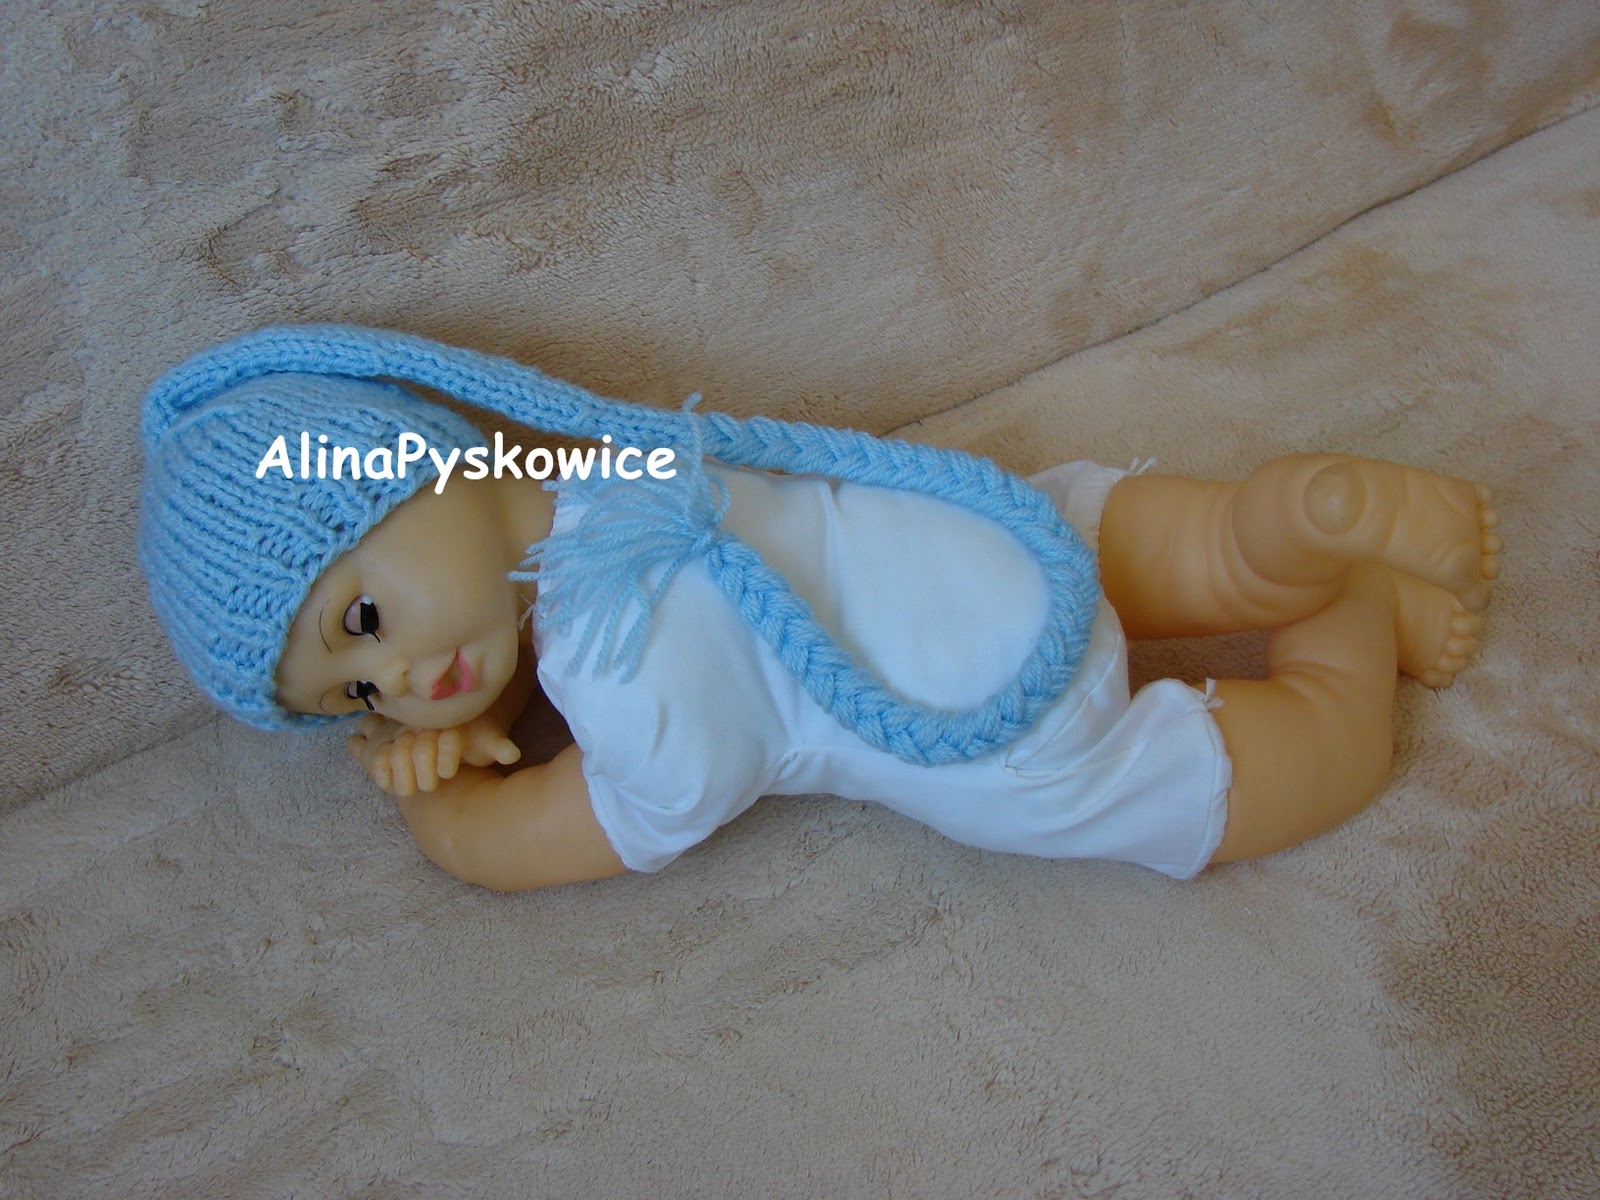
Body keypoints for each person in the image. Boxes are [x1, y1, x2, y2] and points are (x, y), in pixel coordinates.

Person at [140, 326, 1499, 891]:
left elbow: (597, 820)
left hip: (990, 728)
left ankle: (1350, 635)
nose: (394, 686)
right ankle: (1283, 534)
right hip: (985, 527)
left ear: (427, 460)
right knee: (1171, 550)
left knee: (1320, 756)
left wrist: (449, 814)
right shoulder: (619, 459)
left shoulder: (616, 684)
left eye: (361, 624)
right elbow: (519, 603)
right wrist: (459, 717)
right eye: (352, 696)